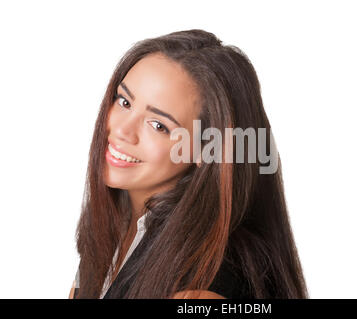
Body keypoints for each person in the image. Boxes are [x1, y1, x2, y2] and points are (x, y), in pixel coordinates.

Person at [69, 29, 309, 299]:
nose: (123, 130)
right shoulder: (112, 228)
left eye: (159, 125)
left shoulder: (203, 290)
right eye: (124, 101)